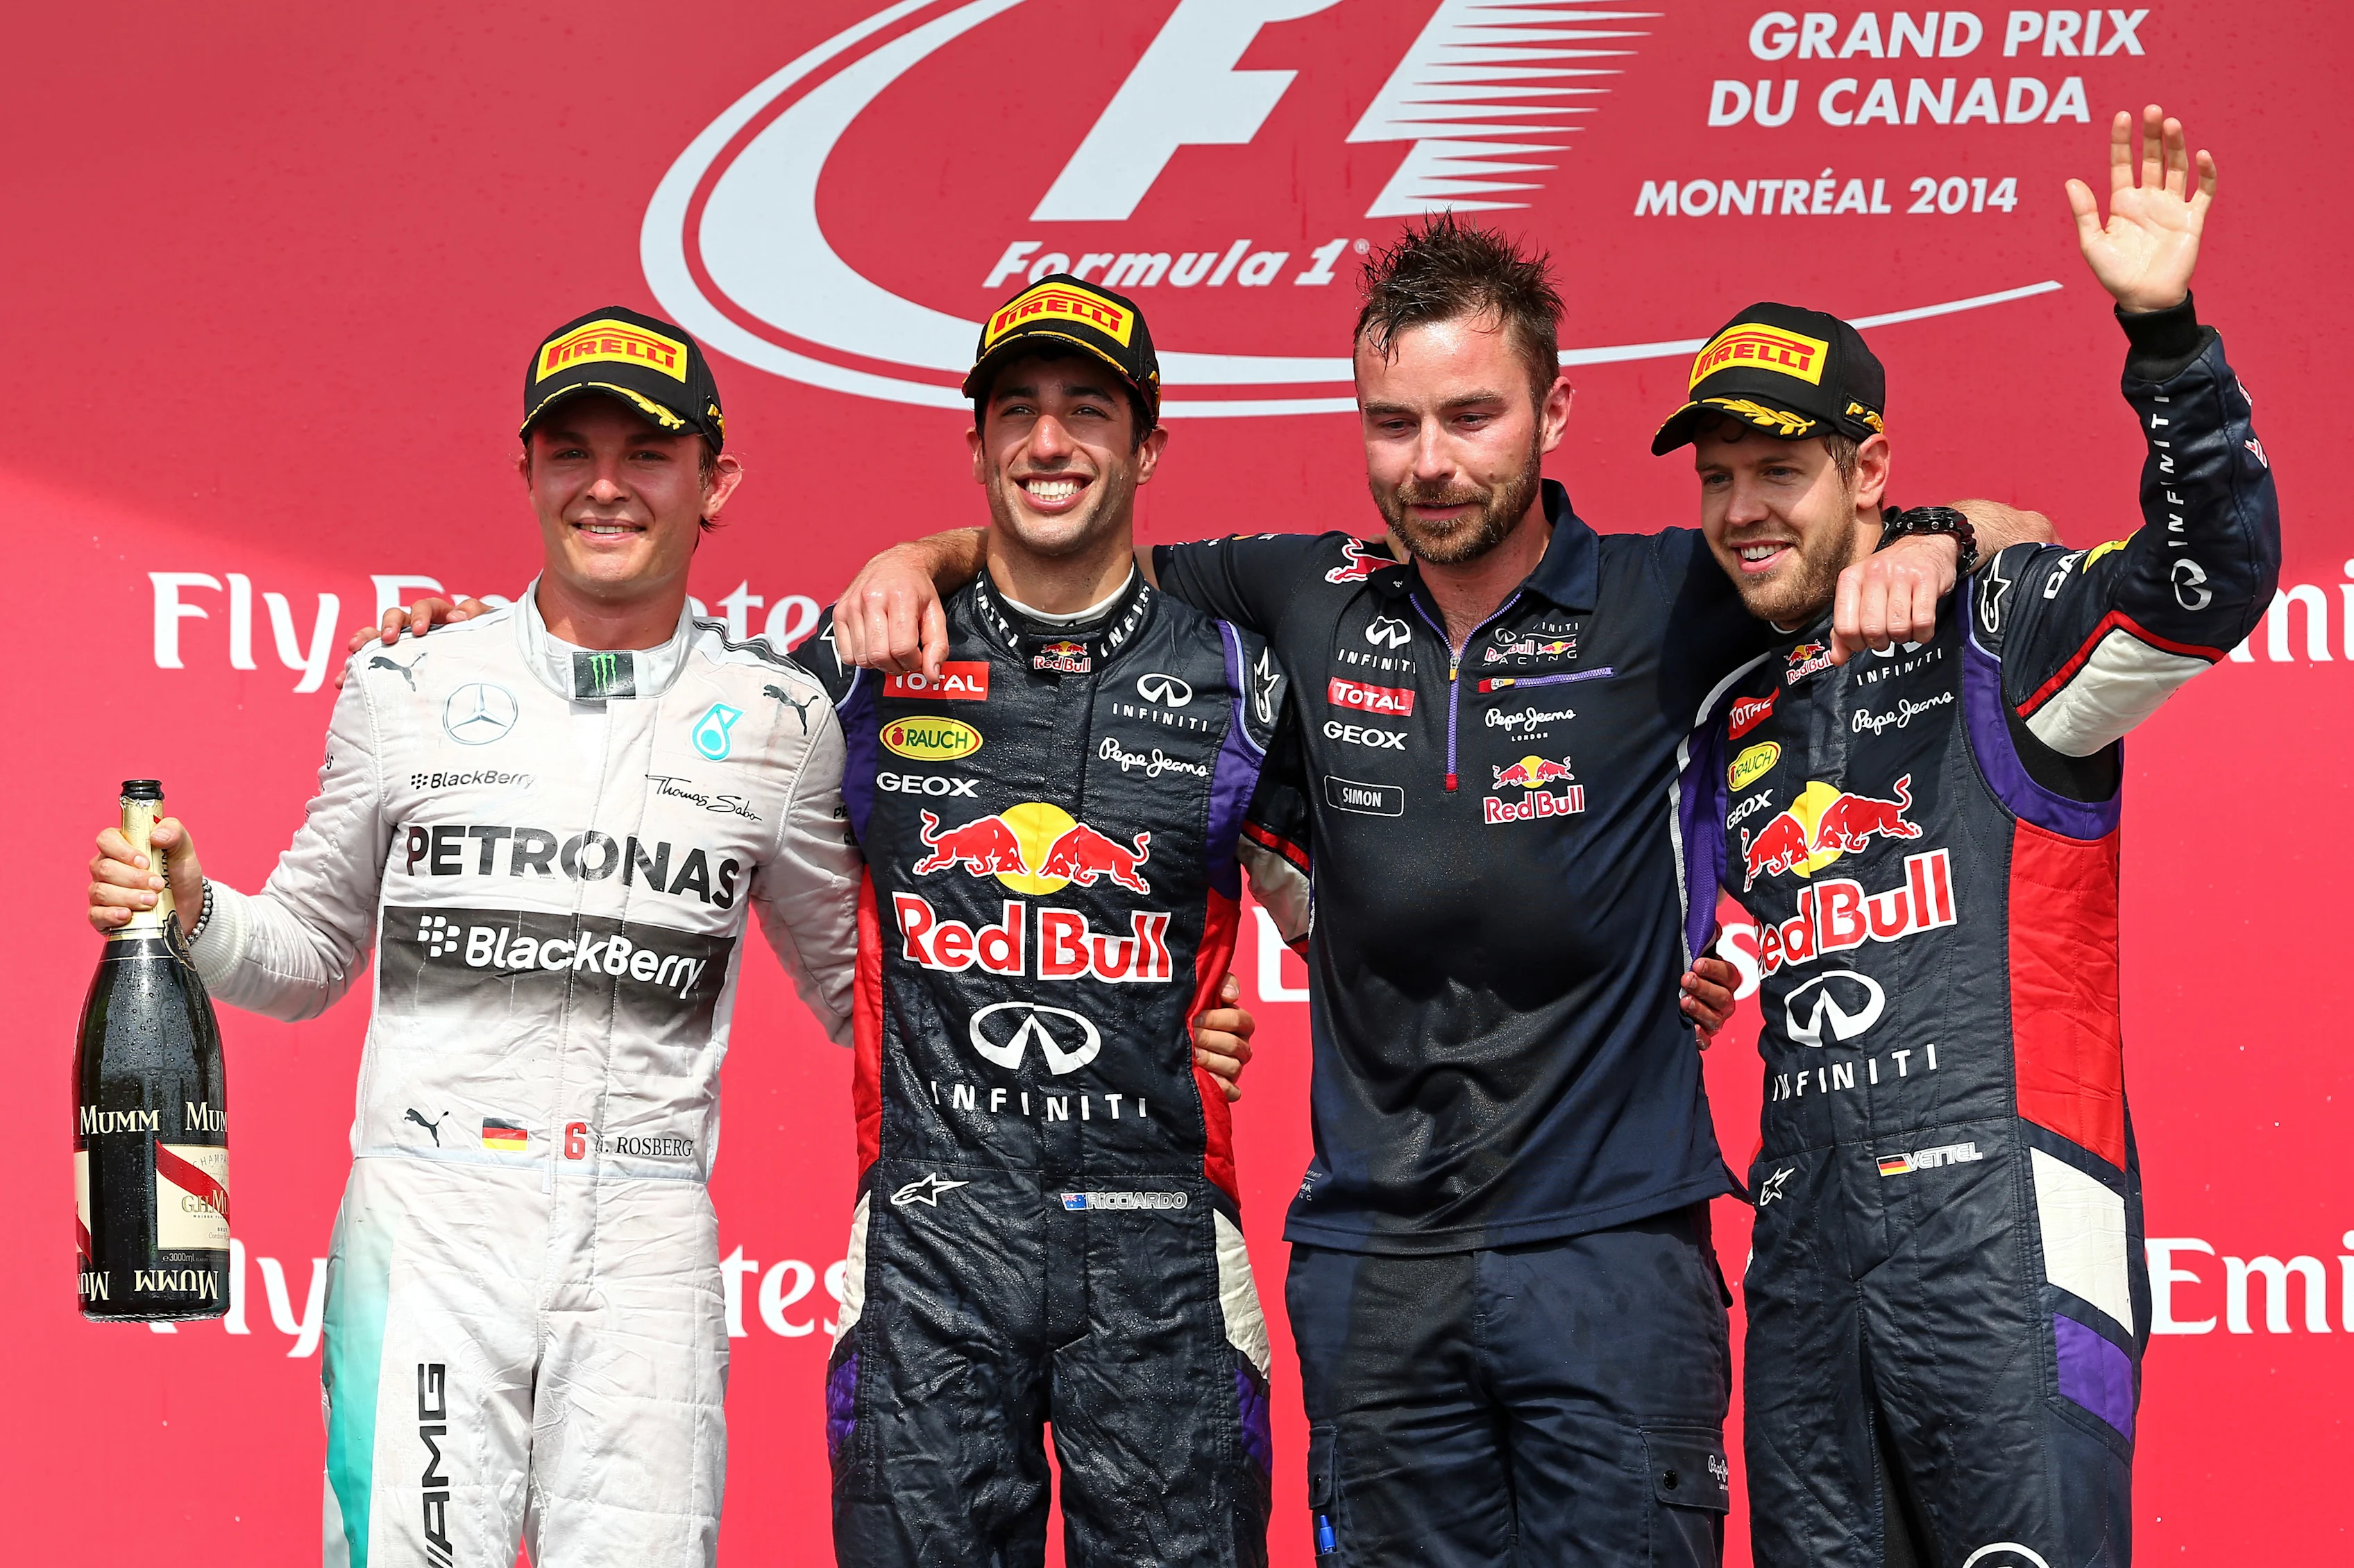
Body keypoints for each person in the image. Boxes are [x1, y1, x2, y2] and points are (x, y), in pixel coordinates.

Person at [831, 221, 2049, 1565]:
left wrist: (1941, 538)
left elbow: (1972, 536)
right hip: (1374, 1270)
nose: (1430, 463)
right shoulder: (1303, 592)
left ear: (1553, 408)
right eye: (1392, 423)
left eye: (1470, 415)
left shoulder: (1673, 590)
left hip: (1614, 1254)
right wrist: (917, 559)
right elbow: (1068, 564)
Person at [346, 279, 1305, 1566]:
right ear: (972, 446)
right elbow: (642, 715)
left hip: (1169, 1238)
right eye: (1014, 411)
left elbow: (1374, 938)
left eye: (1088, 411)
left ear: (1148, 445)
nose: (1049, 443)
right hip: (925, 1237)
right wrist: (485, 649)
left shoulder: (1239, 677)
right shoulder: (853, 668)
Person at [85, 306, 864, 1568]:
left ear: (713, 480)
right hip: (431, 1219)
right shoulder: (410, 686)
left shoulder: (779, 718)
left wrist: (1140, 1016)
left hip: (646, 1235)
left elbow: (868, 994)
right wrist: (192, 907)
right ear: (526, 472)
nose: (604, 486)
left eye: (645, 453)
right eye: (570, 451)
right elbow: (304, 958)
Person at [1670, 108, 2274, 1567]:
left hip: (2009, 1234)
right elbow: (1654, 948)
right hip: (1806, 1259)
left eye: (1782, 468)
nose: (1744, 509)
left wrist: (2165, 338)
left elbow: (2210, 581)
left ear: (1866, 467)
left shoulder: (1995, 633)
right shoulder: (1724, 706)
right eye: (1716, 477)